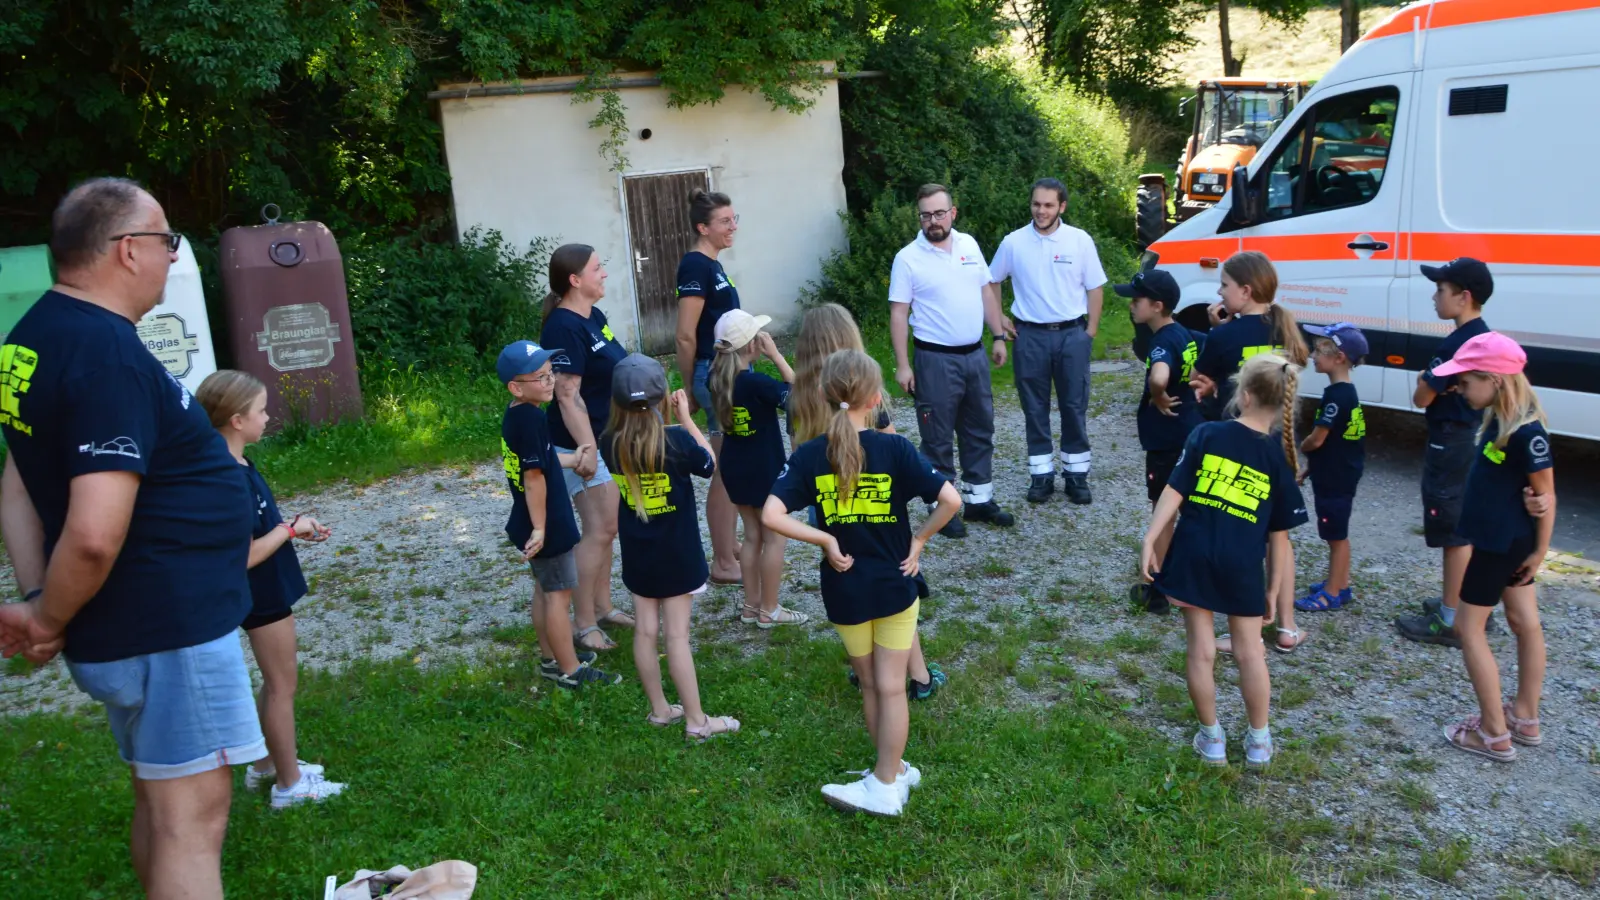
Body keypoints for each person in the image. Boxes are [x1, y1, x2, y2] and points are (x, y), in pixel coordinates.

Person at [0, 178, 261, 899]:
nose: (172, 256)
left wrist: (39, 597)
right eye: (166, 240)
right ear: (126, 250)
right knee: (191, 821)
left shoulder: (33, 337)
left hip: (131, 622)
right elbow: (92, 534)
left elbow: (18, 480)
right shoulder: (104, 355)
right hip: (165, 622)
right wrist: (47, 616)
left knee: (162, 797)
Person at [763, 349, 962, 815]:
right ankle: (891, 773)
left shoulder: (810, 454)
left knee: (873, 685)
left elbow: (772, 514)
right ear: (875, 399)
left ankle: (886, 780)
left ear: (823, 394)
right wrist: (919, 541)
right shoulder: (896, 448)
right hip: (896, 583)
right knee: (891, 687)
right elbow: (951, 500)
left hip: (845, 588)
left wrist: (825, 540)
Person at [1141, 353, 1309, 769]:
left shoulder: (1206, 433)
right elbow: (1280, 538)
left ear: (1244, 395)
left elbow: (1173, 491)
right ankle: (1259, 742)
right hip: (1242, 565)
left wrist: (1151, 537)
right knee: (1250, 652)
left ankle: (1212, 739)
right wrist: (1273, 589)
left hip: (1194, 553)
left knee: (1201, 650)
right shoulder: (1278, 459)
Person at [195, 371, 345, 808]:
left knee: (274, 681)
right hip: (260, 590)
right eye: (261, 410)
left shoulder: (233, 462)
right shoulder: (226, 475)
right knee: (282, 685)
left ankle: (265, 765)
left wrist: (294, 527)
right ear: (236, 420)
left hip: (263, 585)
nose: (268, 417)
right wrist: (289, 530)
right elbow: (242, 554)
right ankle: (290, 785)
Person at [791, 304, 948, 700]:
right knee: (895, 588)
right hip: (876, 506)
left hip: (827, 508)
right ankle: (916, 676)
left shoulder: (802, 396)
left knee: (853, 583)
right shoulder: (863, 388)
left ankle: (867, 672)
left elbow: (798, 458)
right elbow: (891, 448)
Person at [1428, 333, 1552, 762]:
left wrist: (1539, 552)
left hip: (1500, 546)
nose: (1460, 390)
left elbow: (1547, 495)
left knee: (1469, 629)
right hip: (1504, 541)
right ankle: (1525, 717)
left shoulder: (1526, 432)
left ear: (1495, 380)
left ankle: (1493, 733)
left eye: (1466, 383)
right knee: (1523, 621)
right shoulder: (1500, 420)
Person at [603, 354, 740, 741]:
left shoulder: (609, 442)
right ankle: (697, 722)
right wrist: (687, 420)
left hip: (638, 553)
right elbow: (710, 463)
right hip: (678, 554)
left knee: (646, 631)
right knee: (676, 636)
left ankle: (660, 710)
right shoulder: (676, 441)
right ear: (664, 396)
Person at [1189, 250, 1308, 652]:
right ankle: (1287, 627)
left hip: (1237, 444)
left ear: (1245, 290)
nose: (1219, 293)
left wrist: (1216, 330)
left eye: (1224, 285)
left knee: (1244, 534)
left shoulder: (1223, 336)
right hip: (1278, 441)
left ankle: (1249, 629)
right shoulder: (1287, 329)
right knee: (1279, 536)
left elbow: (1198, 377)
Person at [889, 183, 1014, 538]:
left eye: (939, 213)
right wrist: (903, 364)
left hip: (974, 356)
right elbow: (898, 313)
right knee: (937, 436)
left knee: (979, 429)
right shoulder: (908, 258)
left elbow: (986, 292)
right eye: (926, 215)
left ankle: (979, 500)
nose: (933, 221)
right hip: (935, 359)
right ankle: (941, 509)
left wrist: (998, 335)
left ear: (953, 213)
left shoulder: (969, 245)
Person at [496, 340, 621, 689]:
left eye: (551, 373)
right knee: (558, 595)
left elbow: (542, 457)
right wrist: (540, 529)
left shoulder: (518, 415)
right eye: (541, 377)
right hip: (547, 521)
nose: (550, 381)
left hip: (531, 518)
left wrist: (572, 458)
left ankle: (552, 657)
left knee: (545, 589)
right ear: (516, 387)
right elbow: (533, 477)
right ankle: (569, 670)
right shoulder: (533, 420)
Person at [1394, 258, 1497, 647]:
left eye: (1440, 290)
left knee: (1452, 531)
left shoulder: (1454, 345)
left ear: (1463, 297)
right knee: (1464, 522)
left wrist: (1425, 379)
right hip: (1470, 437)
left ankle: (1452, 620)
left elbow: (1422, 397)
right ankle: (1468, 606)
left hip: (1449, 441)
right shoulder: (1484, 337)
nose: (1434, 297)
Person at [987, 177, 1108, 505]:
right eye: (1036, 204)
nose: (1041, 211)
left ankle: (1076, 476)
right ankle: (1041, 476)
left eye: (1048, 205)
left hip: (1072, 334)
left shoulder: (1079, 241)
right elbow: (991, 280)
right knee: (1034, 408)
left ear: (1061, 207)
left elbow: (1095, 287)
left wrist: (1090, 332)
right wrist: (999, 318)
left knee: (1074, 405)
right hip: (1030, 336)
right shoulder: (1014, 242)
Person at [539, 243, 635, 652]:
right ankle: (584, 624)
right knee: (601, 528)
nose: (604, 274)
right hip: (578, 444)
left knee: (607, 528)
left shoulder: (593, 316)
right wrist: (586, 449)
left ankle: (602, 606)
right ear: (575, 279)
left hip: (605, 436)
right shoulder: (563, 327)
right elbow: (566, 395)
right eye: (598, 268)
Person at [707, 310, 807, 628]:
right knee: (775, 538)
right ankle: (770, 609)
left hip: (735, 467)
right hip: (764, 468)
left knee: (751, 536)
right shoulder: (756, 383)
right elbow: (797, 395)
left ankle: (751, 607)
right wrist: (776, 356)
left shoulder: (716, 379)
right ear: (752, 345)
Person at [1119, 269, 1202, 614]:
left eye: (1137, 300)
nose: (1131, 305)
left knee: (1163, 511)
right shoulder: (1183, 333)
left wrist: (1158, 394)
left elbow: (1159, 375)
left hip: (1166, 440)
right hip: (1189, 431)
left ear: (1157, 305)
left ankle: (1162, 587)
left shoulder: (1160, 342)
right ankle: (1193, 575)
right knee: (1191, 507)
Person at [675, 189, 743, 585]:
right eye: (724, 221)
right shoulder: (695, 266)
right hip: (712, 372)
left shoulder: (712, 264)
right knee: (725, 468)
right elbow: (685, 335)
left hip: (723, 371)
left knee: (730, 463)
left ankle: (729, 545)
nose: (733, 227)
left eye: (735, 219)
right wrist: (690, 388)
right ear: (703, 227)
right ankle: (722, 561)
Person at [1294, 324, 1368, 613]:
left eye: (1318, 351)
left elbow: (1318, 439)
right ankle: (1341, 583)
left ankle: (1332, 593)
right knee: (1336, 534)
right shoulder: (1346, 392)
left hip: (1335, 478)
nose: (1312, 356)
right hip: (1338, 472)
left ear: (1339, 358)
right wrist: (1311, 467)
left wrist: (1302, 448)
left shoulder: (1337, 397)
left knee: (1335, 536)